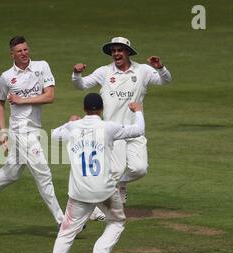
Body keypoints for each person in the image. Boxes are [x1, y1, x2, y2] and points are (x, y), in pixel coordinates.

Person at [0, 36, 64, 230]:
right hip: (21, 132)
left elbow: (50, 96)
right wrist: (3, 132)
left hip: (33, 129)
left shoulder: (42, 67)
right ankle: (62, 221)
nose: (24, 53)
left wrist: (22, 100)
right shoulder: (7, 77)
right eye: (19, 51)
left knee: (11, 173)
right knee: (44, 174)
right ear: (12, 54)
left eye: (25, 49)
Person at [43, 93, 145, 253]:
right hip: (104, 190)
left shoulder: (73, 127)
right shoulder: (108, 127)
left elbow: (55, 134)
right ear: (101, 109)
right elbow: (139, 130)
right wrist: (138, 111)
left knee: (66, 232)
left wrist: (69, 122)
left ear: (84, 109)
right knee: (116, 221)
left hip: (79, 193)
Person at [72, 36, 172, 218]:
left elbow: (165, 81)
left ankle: (120, 185)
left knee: (140, 169)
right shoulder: (104, 72)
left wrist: (160, 68)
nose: (116, 54)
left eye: (120, 50)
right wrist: (77, 74)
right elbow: (81, 85)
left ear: (127, 52)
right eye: (113, 51)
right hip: (113, 132)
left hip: (135, 130)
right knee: (114, 171)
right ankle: (95, 208)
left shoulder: (142, 71)